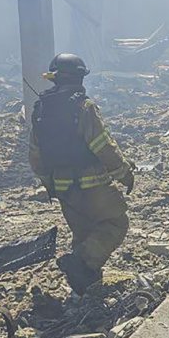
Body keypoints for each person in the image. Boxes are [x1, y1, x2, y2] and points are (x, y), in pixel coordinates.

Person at [29, 53, 134, 294]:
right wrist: (124, 173)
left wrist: (49, 183)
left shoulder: (40, 109)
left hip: (64, 188)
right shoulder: (83, 107)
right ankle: (80, 263)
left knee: (83, 233)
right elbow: (102, 145)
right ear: (80, 78)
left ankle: (86, 289)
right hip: (93, 185)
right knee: (115, 224)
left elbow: (35, 155)